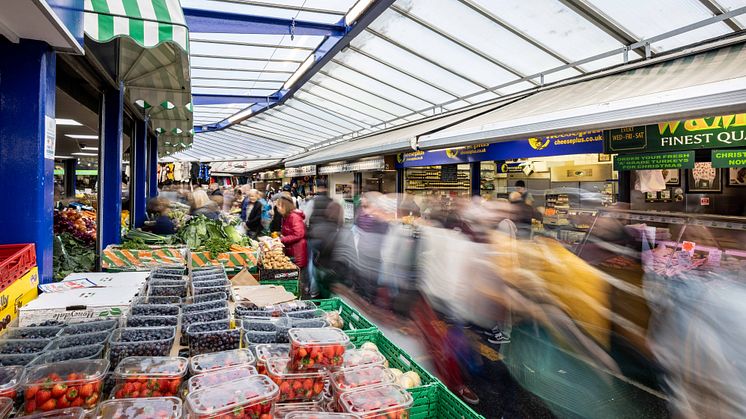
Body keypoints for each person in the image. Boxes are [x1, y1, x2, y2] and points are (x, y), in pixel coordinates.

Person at [276, 194, 310, 297]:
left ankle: (302, 301)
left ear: (285, 206)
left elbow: (299, 234)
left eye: (279, 205)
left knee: (299, 281)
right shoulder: (286, 217)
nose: (277, 208)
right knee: (295, 279)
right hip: (291, 252)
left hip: (297, 253)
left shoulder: (294, 217)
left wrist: (282, 239)